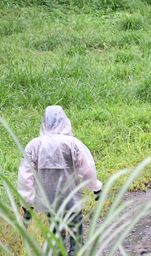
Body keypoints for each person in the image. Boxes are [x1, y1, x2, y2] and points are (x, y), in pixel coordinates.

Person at [18, 105, 103, 256]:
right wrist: (96, 188)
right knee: (75, 224)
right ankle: (75, 250)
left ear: (44, 121)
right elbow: (87, 168)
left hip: (48, 195)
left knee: (56, 227)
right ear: (64, 121)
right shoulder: (72, 143)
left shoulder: (34, 145)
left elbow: (26, 175)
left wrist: (27, 203)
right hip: (71, 192)